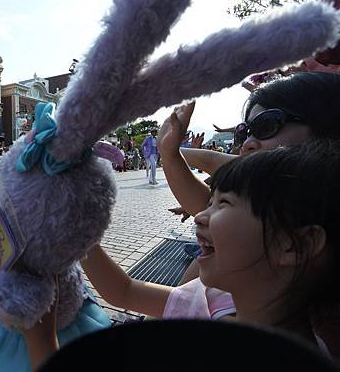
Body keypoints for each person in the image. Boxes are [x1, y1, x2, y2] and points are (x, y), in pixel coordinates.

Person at [24, 140, 340, 370]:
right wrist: (76, 230)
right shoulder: (217, 297)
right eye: (211, 201)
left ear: (292, 244)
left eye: (224, 204)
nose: (201, 215)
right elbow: (124, 291)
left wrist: (40, 336)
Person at [160, 72, 340, 270]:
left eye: (266, 125)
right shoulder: (276, 197)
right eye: (244, 132)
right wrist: (169, 152)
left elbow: (210, 164)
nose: (247, 144)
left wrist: (170, 153)